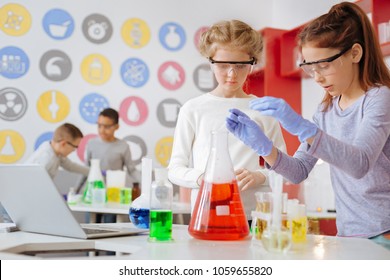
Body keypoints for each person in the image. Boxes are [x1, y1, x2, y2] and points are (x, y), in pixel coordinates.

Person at [226, 2, 390, 249]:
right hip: (348, 233)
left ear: (355, 53)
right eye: (310, 68)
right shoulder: (326, 111)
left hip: (384, 232)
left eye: (324, 66)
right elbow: (298, 171)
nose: (318, 78)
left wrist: (304, 128)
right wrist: (263, 146)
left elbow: (360, 164)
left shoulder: (379, 98)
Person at [167, 19, 286, 221]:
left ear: (252, 62)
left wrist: (260, 176)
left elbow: (284, 168)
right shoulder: (193, 109)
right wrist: (203, 178)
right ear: (210, 61)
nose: (232, 74)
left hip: (252, 217)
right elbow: (175, 169)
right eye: (223, 65)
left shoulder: (263, 110)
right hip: (206, 214)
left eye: (241, 66)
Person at [85, 108, 139, 223]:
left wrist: (144, 186)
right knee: (90, 225)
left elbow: (132, 170)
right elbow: (86, 171)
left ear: (116, 126)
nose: (102, 130)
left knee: (110, 227)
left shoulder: (123, 146)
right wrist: (75, 191)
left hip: (112, 196)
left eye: (107, 126)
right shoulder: (91, 144)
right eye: (99, 126)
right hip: (93, 194)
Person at [25, 123, 90, 179]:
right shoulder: (46, 158)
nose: (74, 150)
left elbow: (71, 166)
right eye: (75, 147)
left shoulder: (57, 154)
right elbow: (34, 183)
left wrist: (93, 171)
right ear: (63, 144)